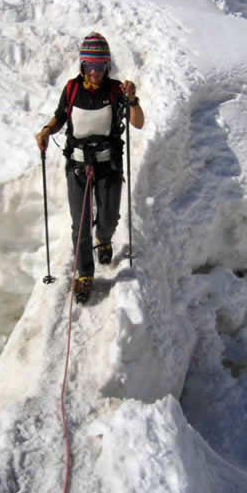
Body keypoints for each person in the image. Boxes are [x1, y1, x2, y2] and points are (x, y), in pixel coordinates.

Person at [35, 32, 144, 303]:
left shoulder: (117, 90)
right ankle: (84, 273)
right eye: (89, 66)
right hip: (79, 166)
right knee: (80, 222)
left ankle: (104, 239)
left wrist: (132, 99)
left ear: (107, 65)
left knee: (108, 217)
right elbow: (61, 116)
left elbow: (138, 122)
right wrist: (47, 131)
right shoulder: (72, 89)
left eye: (99, 66)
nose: (94, 72)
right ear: (82, 65)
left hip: (109, 164)